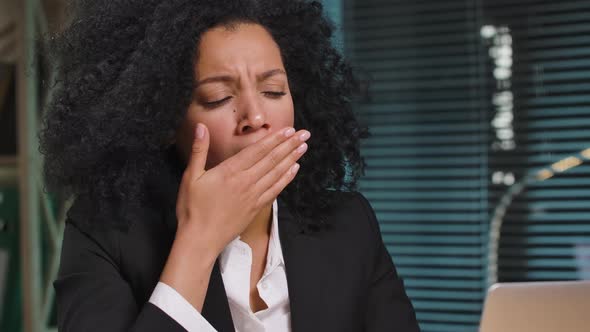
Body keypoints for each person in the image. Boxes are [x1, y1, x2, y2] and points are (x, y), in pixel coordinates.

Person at [40, 0, 419, 331]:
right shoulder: (102, 237)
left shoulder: (350, 226)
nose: (255, 116)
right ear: (162, 121)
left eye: (273, 91)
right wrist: (198, 243)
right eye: (218, 97)